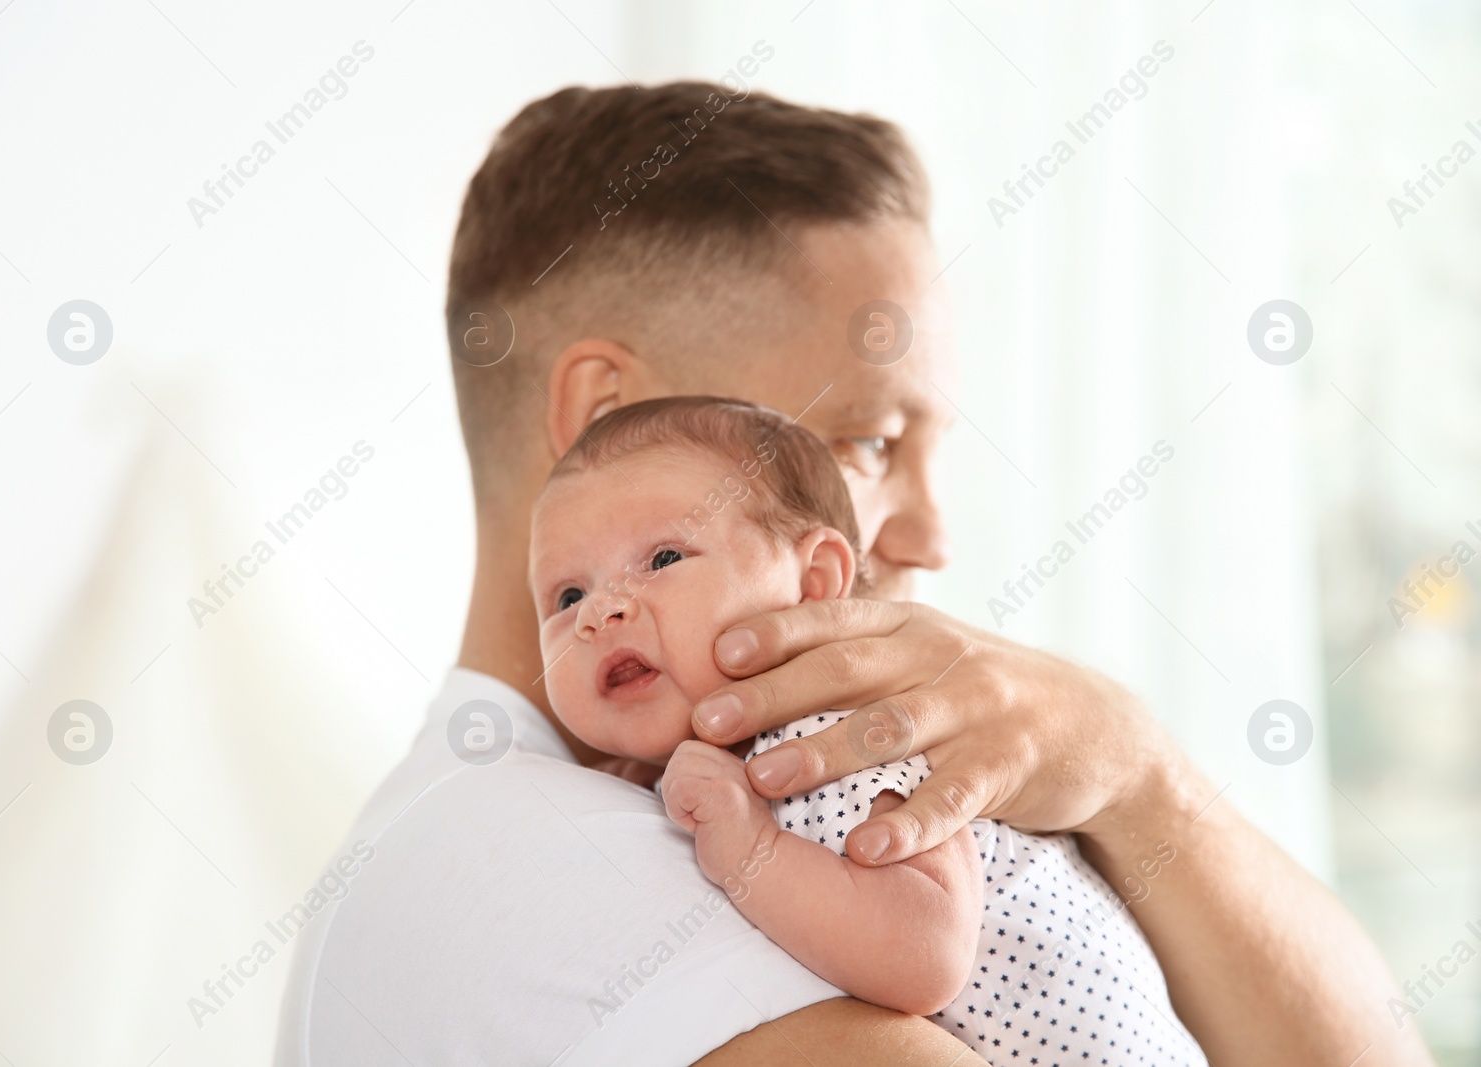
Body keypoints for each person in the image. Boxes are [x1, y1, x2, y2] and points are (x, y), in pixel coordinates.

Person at [275, 82, 1431, 1066]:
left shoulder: (733, 793)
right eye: (872, 440)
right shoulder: (530, 854)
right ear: (606, 421)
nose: (927, 535)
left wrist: (1135, 774)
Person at [531, 395, 1205, 1065]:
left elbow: (925, 956)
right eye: (568, 597)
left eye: (664, 559)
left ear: (814, 581)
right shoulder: (695, 764)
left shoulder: (841, 729)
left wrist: (748, 846)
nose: (601, 611)